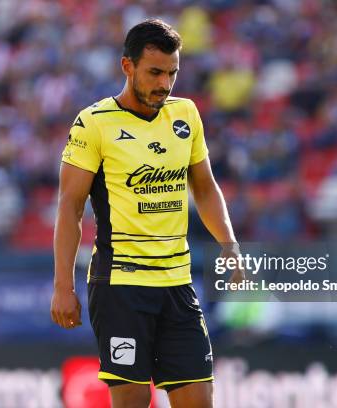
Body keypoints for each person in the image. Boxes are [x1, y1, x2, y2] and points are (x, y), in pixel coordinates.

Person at [51, 19, 242, 408]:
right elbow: (70, 208)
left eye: (172, 73)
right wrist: (62, 286)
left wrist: (229, 243)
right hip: (121, 285)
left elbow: (204, 187)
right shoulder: (94, 124)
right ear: (127, 66)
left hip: (177, 284)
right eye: (155, 72)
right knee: (134, 402)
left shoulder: (185, 115)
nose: (164, 83)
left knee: (199, 400)